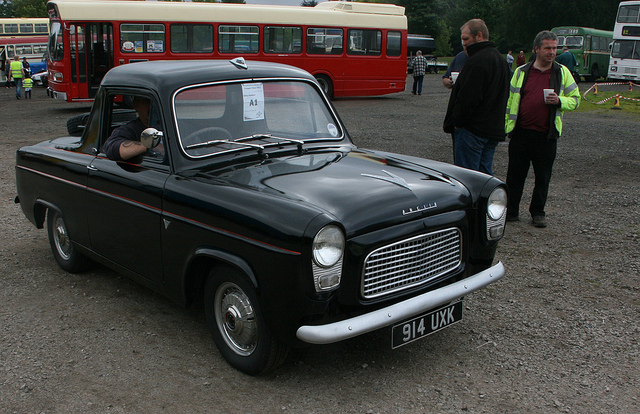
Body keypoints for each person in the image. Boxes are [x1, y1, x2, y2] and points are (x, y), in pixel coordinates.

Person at [504, 31, 580, 228]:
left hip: (546, 135)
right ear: (536, 49)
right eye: (548, 48)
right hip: (520, 133)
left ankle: (538, 213)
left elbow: (575, 99)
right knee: (514, 176)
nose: (552, 52)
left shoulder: (562, 72)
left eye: (554, 48)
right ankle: (511, 212)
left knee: (543, 177)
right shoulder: (521, 72)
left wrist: (560, 101)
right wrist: (506, 127)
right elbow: (510, 101)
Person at [443, 19, 510, 175]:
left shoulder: (477, 62)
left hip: (472, 130)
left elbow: (468, 98)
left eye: (466, 39)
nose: (464, 43)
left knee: (467, 177)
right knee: (484, 176)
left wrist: (457, 122)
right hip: (492, 129)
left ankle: (473, 201)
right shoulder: (500, 60)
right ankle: (486, 200)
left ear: (479, 36)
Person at [103, 96, 160, 161]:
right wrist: (151, 146)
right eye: (147, 102)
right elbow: (112, 148)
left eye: (156, 103)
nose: (151, 107)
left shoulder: (171, 124)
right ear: (136, 104)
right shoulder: (129, 130)